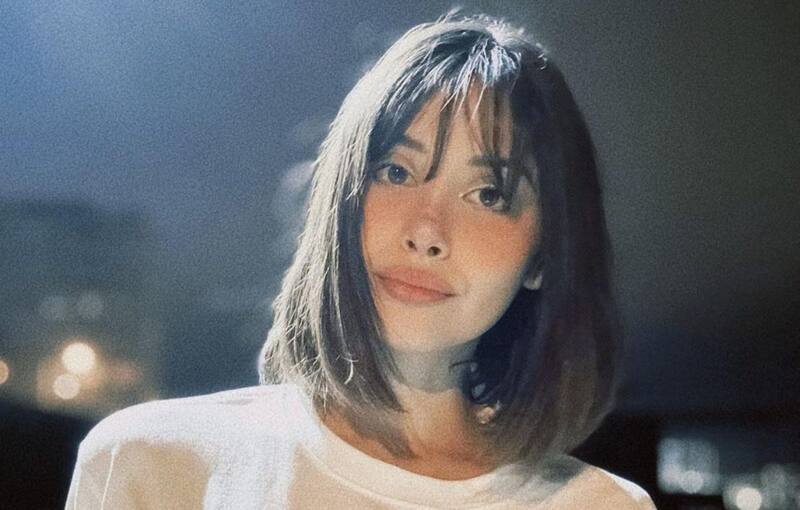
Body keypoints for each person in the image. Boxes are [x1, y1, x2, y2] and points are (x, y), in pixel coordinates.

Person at [66, 13, 657, 509]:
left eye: (487, 195)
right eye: (396, 172)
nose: (427, 232)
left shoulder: (599, 505)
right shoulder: (150, 462)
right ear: (339, 202)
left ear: (544, 255)